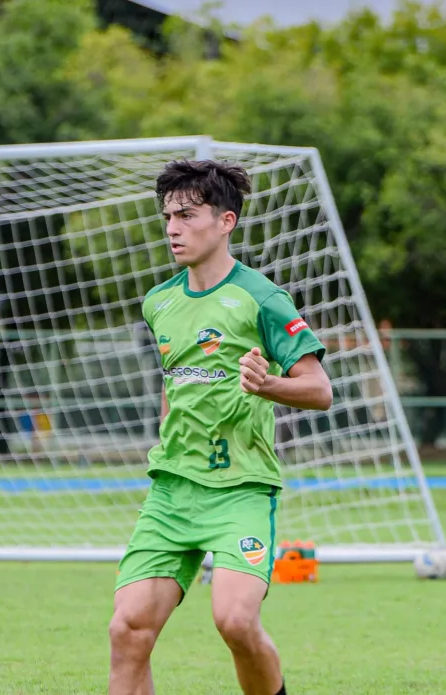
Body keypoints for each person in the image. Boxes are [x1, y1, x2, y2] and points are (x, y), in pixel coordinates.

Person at [109, 160, 332, 694]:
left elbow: (320, 389)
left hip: (240, 491)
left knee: (235, 621)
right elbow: (174, 385)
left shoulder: (262, 298)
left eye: (186, 215)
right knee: (128, 629)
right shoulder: (159, 302)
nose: (172, 229)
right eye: (167, 216)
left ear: (226, 221)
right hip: (172, 491)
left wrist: (267, 385)